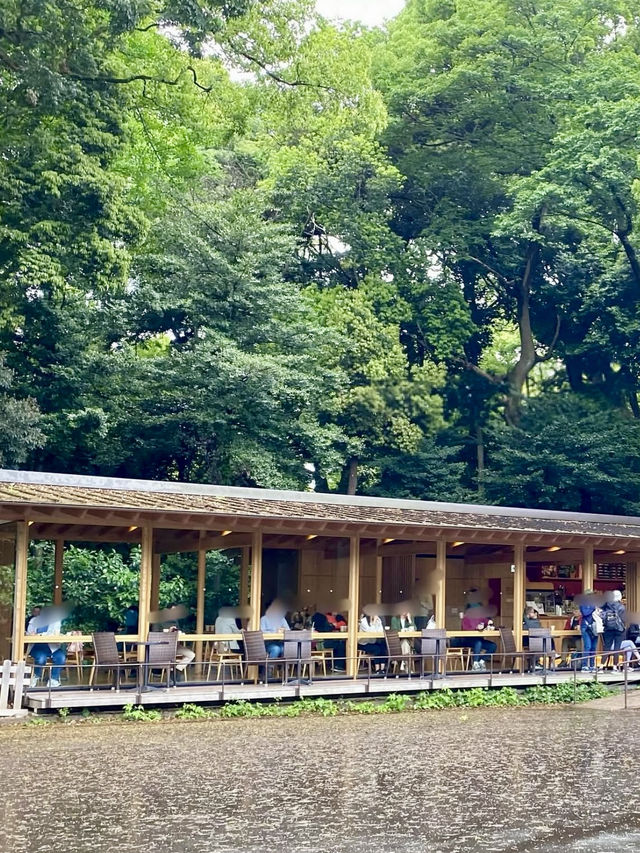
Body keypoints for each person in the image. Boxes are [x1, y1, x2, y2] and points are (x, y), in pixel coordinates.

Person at [26, 608, 65, 688]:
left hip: (52, 647)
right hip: (37, 647)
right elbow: (28, 634)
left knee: (61, 657)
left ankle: (54, 680)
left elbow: (55, 633)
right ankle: (36, 677)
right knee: (41, 659)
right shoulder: (33, 621)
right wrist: (31, 634)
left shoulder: (55, 622)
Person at [601, 590, 626, 671]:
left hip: (608, 629)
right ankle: (615, 666)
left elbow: (602, 615)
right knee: (617, 648)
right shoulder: (621, 607)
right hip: (619, 629)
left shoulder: (606, 605)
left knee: (606, 647)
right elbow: (623, 619)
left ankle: (601, 665)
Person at [579, 592, 599, 672]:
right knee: (588, 646)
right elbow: (585, 613)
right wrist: (593, 608)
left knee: (593, 647)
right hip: (586, 627)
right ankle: (584, 665)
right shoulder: (583, 604)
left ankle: (592, 665)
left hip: (595, 627)